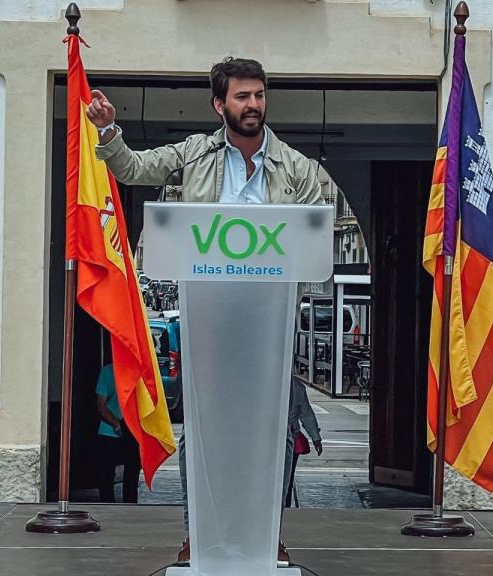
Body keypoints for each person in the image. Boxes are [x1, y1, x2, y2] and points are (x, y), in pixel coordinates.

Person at [87, 56, 326, 565]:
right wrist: (108, 131)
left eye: (259, 95)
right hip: (208, 322)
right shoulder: (194, 154)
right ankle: (200, 533)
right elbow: (133, 169)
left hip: (269, 324)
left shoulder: (298, 168)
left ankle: (267, 534)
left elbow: (311, 246)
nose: (253, 105)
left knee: (276, 432)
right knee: (204, 436)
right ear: (220, 104)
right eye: (242, 96)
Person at [95, 363, 142, 504]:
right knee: (110, 476)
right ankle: (119, 506)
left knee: (128, 476)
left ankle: (122, 506)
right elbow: (100, 406)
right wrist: (117, 424)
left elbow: (101, 405)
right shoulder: (109, 372)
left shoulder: (135, 371)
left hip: (123, 429)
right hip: (115, 429)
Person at [284, 377, 323, 508]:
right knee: (287, 478)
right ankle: (286, 505)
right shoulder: (298, 387)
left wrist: (316, 437)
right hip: (290, 436)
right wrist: (315, 437)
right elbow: (306, 414)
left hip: (285, 436)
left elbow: (306, 414)